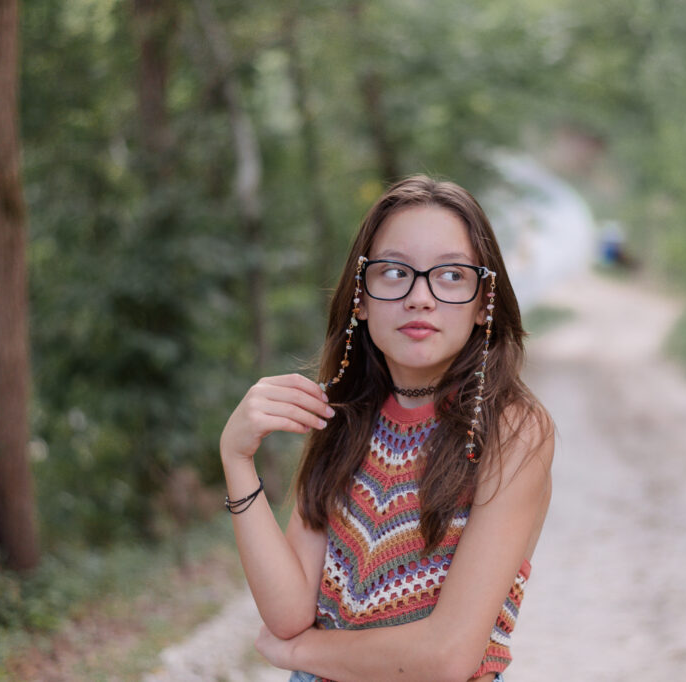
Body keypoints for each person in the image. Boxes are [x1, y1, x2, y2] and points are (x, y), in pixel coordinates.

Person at [219, 175, 555, 682]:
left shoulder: (511, 430)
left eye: (450, 275)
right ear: (361, 297)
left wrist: (299, 655)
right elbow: (288, 614)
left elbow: (446, 657)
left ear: (485, 301)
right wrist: (236, 460)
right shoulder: (342, 418)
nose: (420, 297)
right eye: (396, 272)